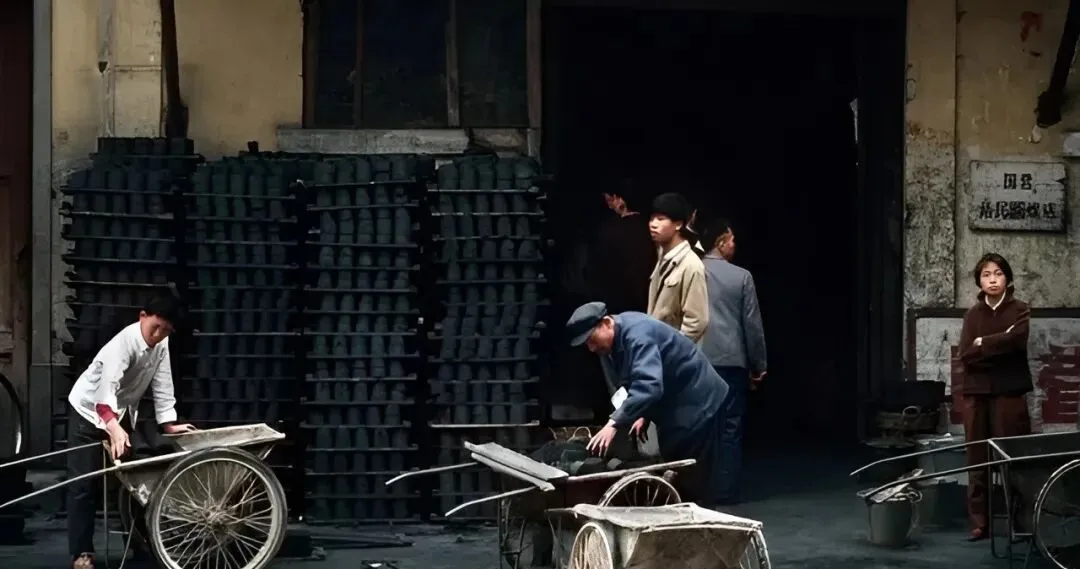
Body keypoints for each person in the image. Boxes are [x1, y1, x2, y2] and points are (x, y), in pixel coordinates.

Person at [66, 295, 195, 569]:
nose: (158, 335)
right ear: (142, 316)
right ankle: (81, 553)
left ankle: (138, 544)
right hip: (88, 410)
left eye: (165, 331)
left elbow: (162, 384)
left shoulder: (161, 344)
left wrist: (168, 422)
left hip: (119, 410)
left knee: (133, 482)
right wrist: (114, 429)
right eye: (155, 327)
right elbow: (104, 397)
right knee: (84, 484)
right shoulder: (122, 345)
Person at [567, 301, 730, 506]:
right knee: (674, 459)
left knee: (690, 472)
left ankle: (698, 515)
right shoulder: (614, 344)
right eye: (587, 344)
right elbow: (634, 380)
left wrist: (613, 423)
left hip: (698, 401)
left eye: (592, 340)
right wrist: (642, 413)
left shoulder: (638, 335)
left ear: (607, 323)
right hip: (677, 403)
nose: (591, 348)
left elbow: (649, 385)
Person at [957, 253, 1032, 542]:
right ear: (979, 281)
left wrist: (983, 344)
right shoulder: (972, 315)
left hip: (1009, 392)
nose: (992, 279)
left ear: (1007, 279)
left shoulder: (1020, 310)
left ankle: (1019, 521)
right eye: (986, 274)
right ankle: (980, 522)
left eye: (998, 273)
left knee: (1012, 457)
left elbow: (1016, 342)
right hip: (976, 393)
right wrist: (997, 344)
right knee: (977, 459)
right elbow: (966, 355)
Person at [699, 218, 767, 505]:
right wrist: (758, 364)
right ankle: (726, 491)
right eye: (732, 240)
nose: (734, 245)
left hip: (698, 360)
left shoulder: (691, 270)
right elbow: (752, 325)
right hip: (731, 361)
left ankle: (699, 488)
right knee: (730, 426)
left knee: (702, 425)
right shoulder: (741, 277)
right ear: (721, 242)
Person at [646, 192, 709, 343]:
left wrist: (672, 349)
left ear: (678, 224)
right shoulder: (662, 256)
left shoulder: (691, 264)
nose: (653, 224)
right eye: (652, 218)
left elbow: (697, 322)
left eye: (661, 219)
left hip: (670, 352)